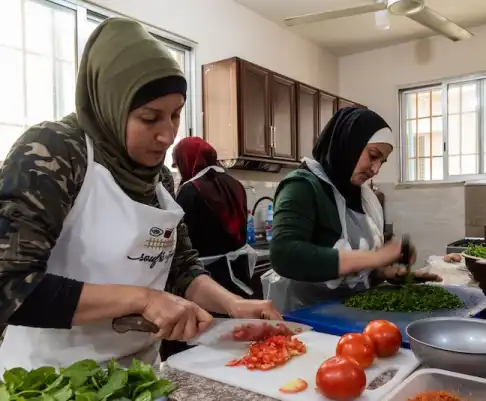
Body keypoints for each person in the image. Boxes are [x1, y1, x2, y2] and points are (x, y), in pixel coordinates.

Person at [0, 17, 280, 371]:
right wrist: (143, 300)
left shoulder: (159, 177)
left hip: (138, 376)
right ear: (111, 105)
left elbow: (181, 268)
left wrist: (233, 305)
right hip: (50, 378)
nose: (168, 136)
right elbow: (9, 284)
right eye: (150, 118)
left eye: (176, 115)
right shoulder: (54, 151)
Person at [265, 107, 440, 312]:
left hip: (351, 315)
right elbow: (284, 255)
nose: (375, 169)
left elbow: (354, 273)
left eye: (381, 162)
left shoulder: (364, 197)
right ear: (348, 144)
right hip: (306, 319)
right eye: (373, 156)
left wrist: (384, 272)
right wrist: (377, 258)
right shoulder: (302, 186)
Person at [161, 137, 255, 359]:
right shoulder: (235, 183)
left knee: (204, 344)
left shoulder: (190, 190)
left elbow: (183, 243)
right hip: (236, 273)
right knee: (236, 342)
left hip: (204, 278)